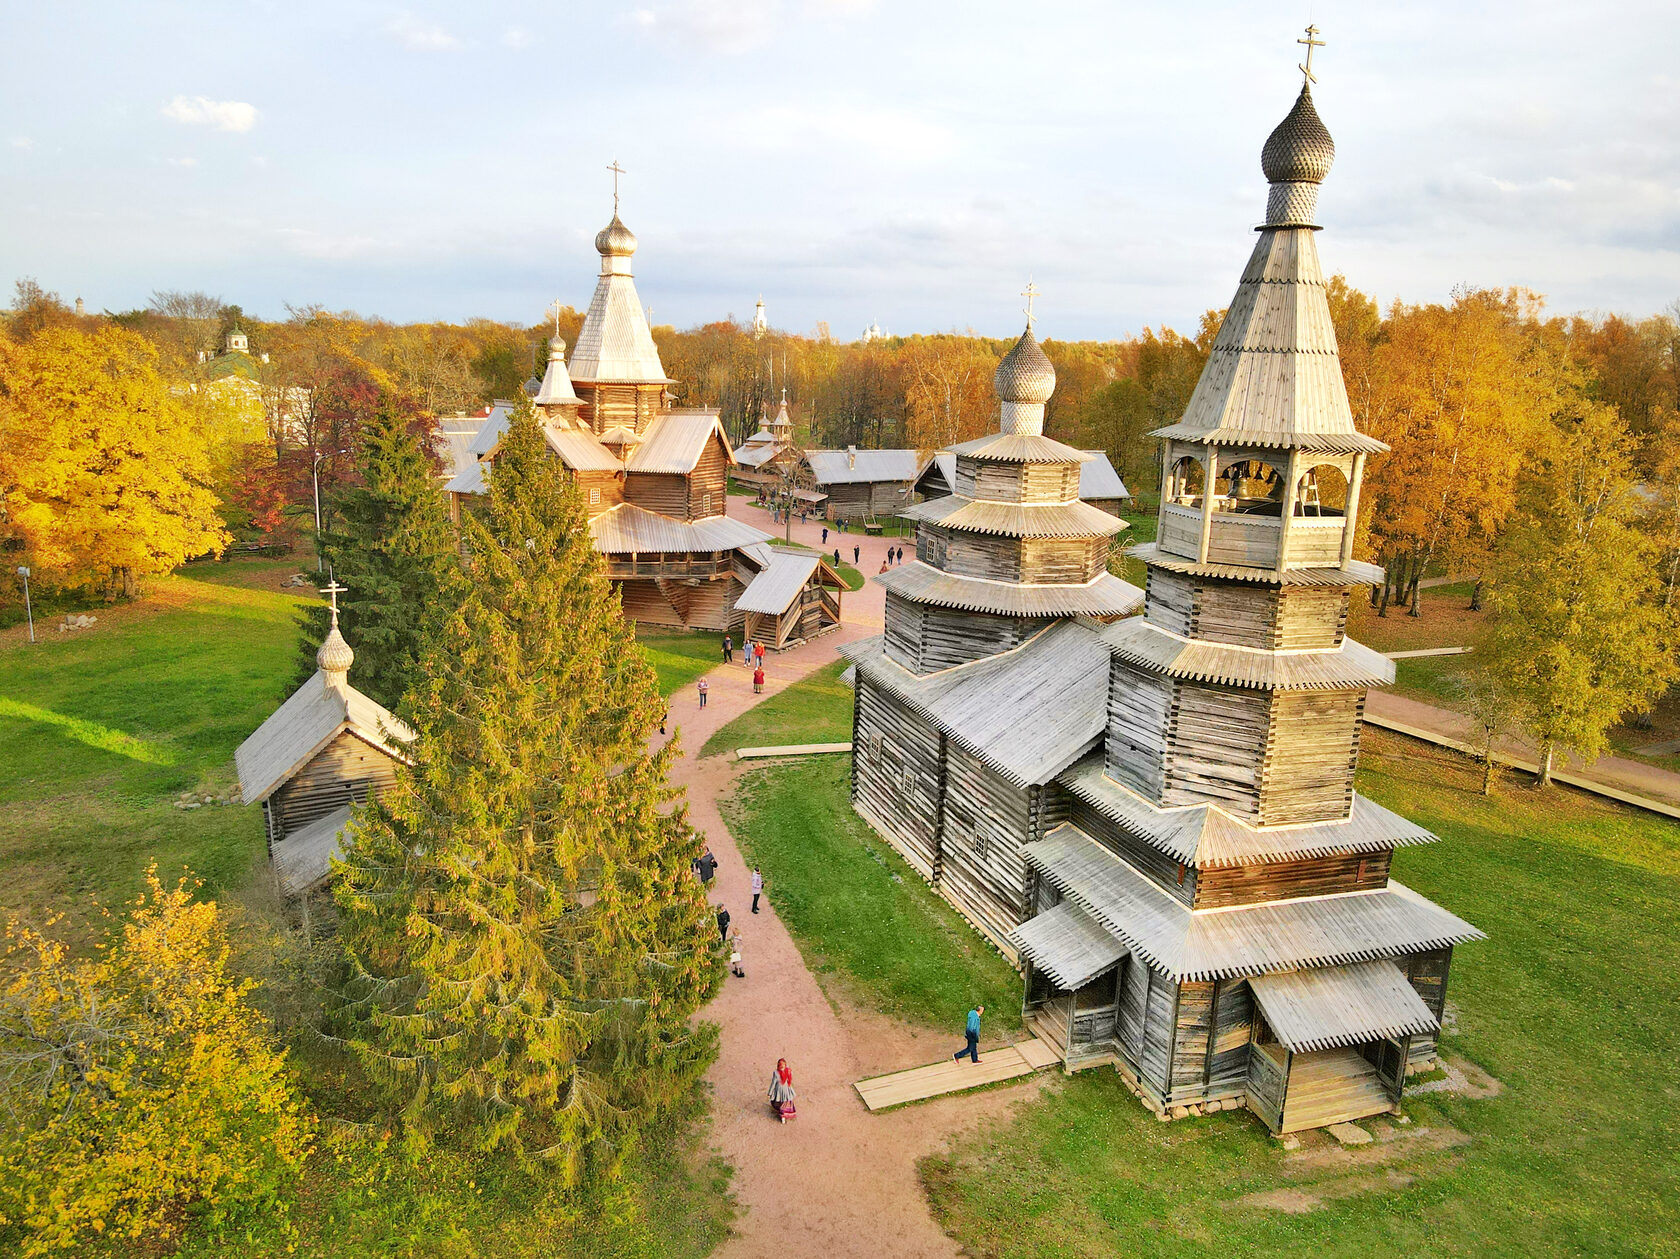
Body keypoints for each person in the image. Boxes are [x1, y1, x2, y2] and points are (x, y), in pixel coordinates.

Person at [768, 1058, 796, 1123]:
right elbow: (790, 1079)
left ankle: (782, 1115)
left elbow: (773, 1083)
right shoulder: (788, 1071)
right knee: (786, 1102)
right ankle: (785, 1114)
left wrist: (770, 1092)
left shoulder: (776, 1073)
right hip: (786, 1089)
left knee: (778, 1102)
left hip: (779, 1090)